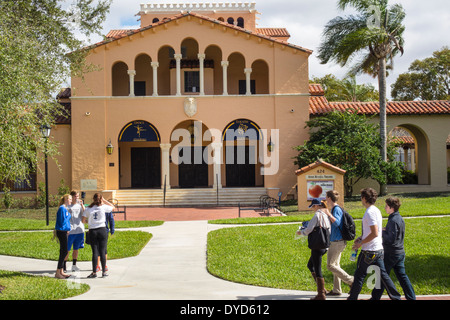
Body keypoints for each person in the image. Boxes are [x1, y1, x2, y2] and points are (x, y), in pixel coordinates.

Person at [347, 188, 401, 300]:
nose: (361, 199)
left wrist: (360, 243)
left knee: (359, 276)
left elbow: (375, 233)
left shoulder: (369, 212)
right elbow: (373, 231)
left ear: (365, 198)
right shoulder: (376, 210)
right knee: (384, 276)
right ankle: (396, 297)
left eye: (361, 197)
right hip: (379, 250)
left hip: (369, 251)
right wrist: (361, 237)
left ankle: (352, 298)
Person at [371, 197, 416, 300]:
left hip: (391, 253)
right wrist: (385, 230)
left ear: (391, 208)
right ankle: (411, 297)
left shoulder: (393, 220)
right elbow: (395, 234)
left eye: (386, 206)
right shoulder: (399, 218)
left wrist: (381, 232)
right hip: (400, 252)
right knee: (402, 277)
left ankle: (377, 297)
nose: (385, 208)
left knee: (382, 276)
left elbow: (390, 239)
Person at [297, 198, 331, 300]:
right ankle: (323, 289)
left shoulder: (317, 215)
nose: (312, 208)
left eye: (313, 206)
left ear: (316, 205)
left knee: (317, 269)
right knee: (310, 265)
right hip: (325, 245)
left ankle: (321, 294)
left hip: (317, 246)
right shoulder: (325, 215)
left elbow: (308, 230)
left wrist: (301, 232)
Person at [324, 190, 354, 295]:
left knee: (330, 265)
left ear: (329, 198)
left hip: (337, 242)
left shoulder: (336, 209)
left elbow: (337, 223)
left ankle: (351, 280)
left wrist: (328, 213)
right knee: (336, 265)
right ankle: (337, 290)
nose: (325, 199)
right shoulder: (335, 208)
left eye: (326, 197)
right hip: (337, 241)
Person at [82, 193, 115, 278]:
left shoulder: (88, 208)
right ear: (100, 199)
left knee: (95, 252)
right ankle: (104, 272)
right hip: (102, 230)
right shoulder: (103, 207)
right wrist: (104, 201)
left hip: (93, 231)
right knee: (102, 251)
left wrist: (89, 222)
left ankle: (94, 272)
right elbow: (113, 207)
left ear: (93, 199)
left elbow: (83, 220)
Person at [65, 190, 85, 272]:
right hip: (71, 231)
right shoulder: (67, 206)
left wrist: (82, 205)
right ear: (72, 197)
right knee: (67, 249)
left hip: (79, 230)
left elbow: (85, 214)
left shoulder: (79, 206)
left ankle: (74, 265)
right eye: (76, 196)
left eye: (78, 196)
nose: (77, 198)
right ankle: (64, 266)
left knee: (76, 249)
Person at [54, 194, 72, 279]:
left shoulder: (65, 209)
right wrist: (66, 228)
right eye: (70, 199)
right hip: (62, 232)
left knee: (63, 251)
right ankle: (58, 272)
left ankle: (61, 271)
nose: (71, 201)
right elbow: (61, 222)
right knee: (64, 251)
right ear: (66, 199)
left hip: (65, 231)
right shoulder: (62, 208)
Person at [96, 207, 115, 272]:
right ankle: (98, 265)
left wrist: (112, 230)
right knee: (99, 248)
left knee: (102, 248)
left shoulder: (107, 209)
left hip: (103, 230)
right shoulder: (97, 208)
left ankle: (103, 265)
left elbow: (111, 219)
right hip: (98, 230)